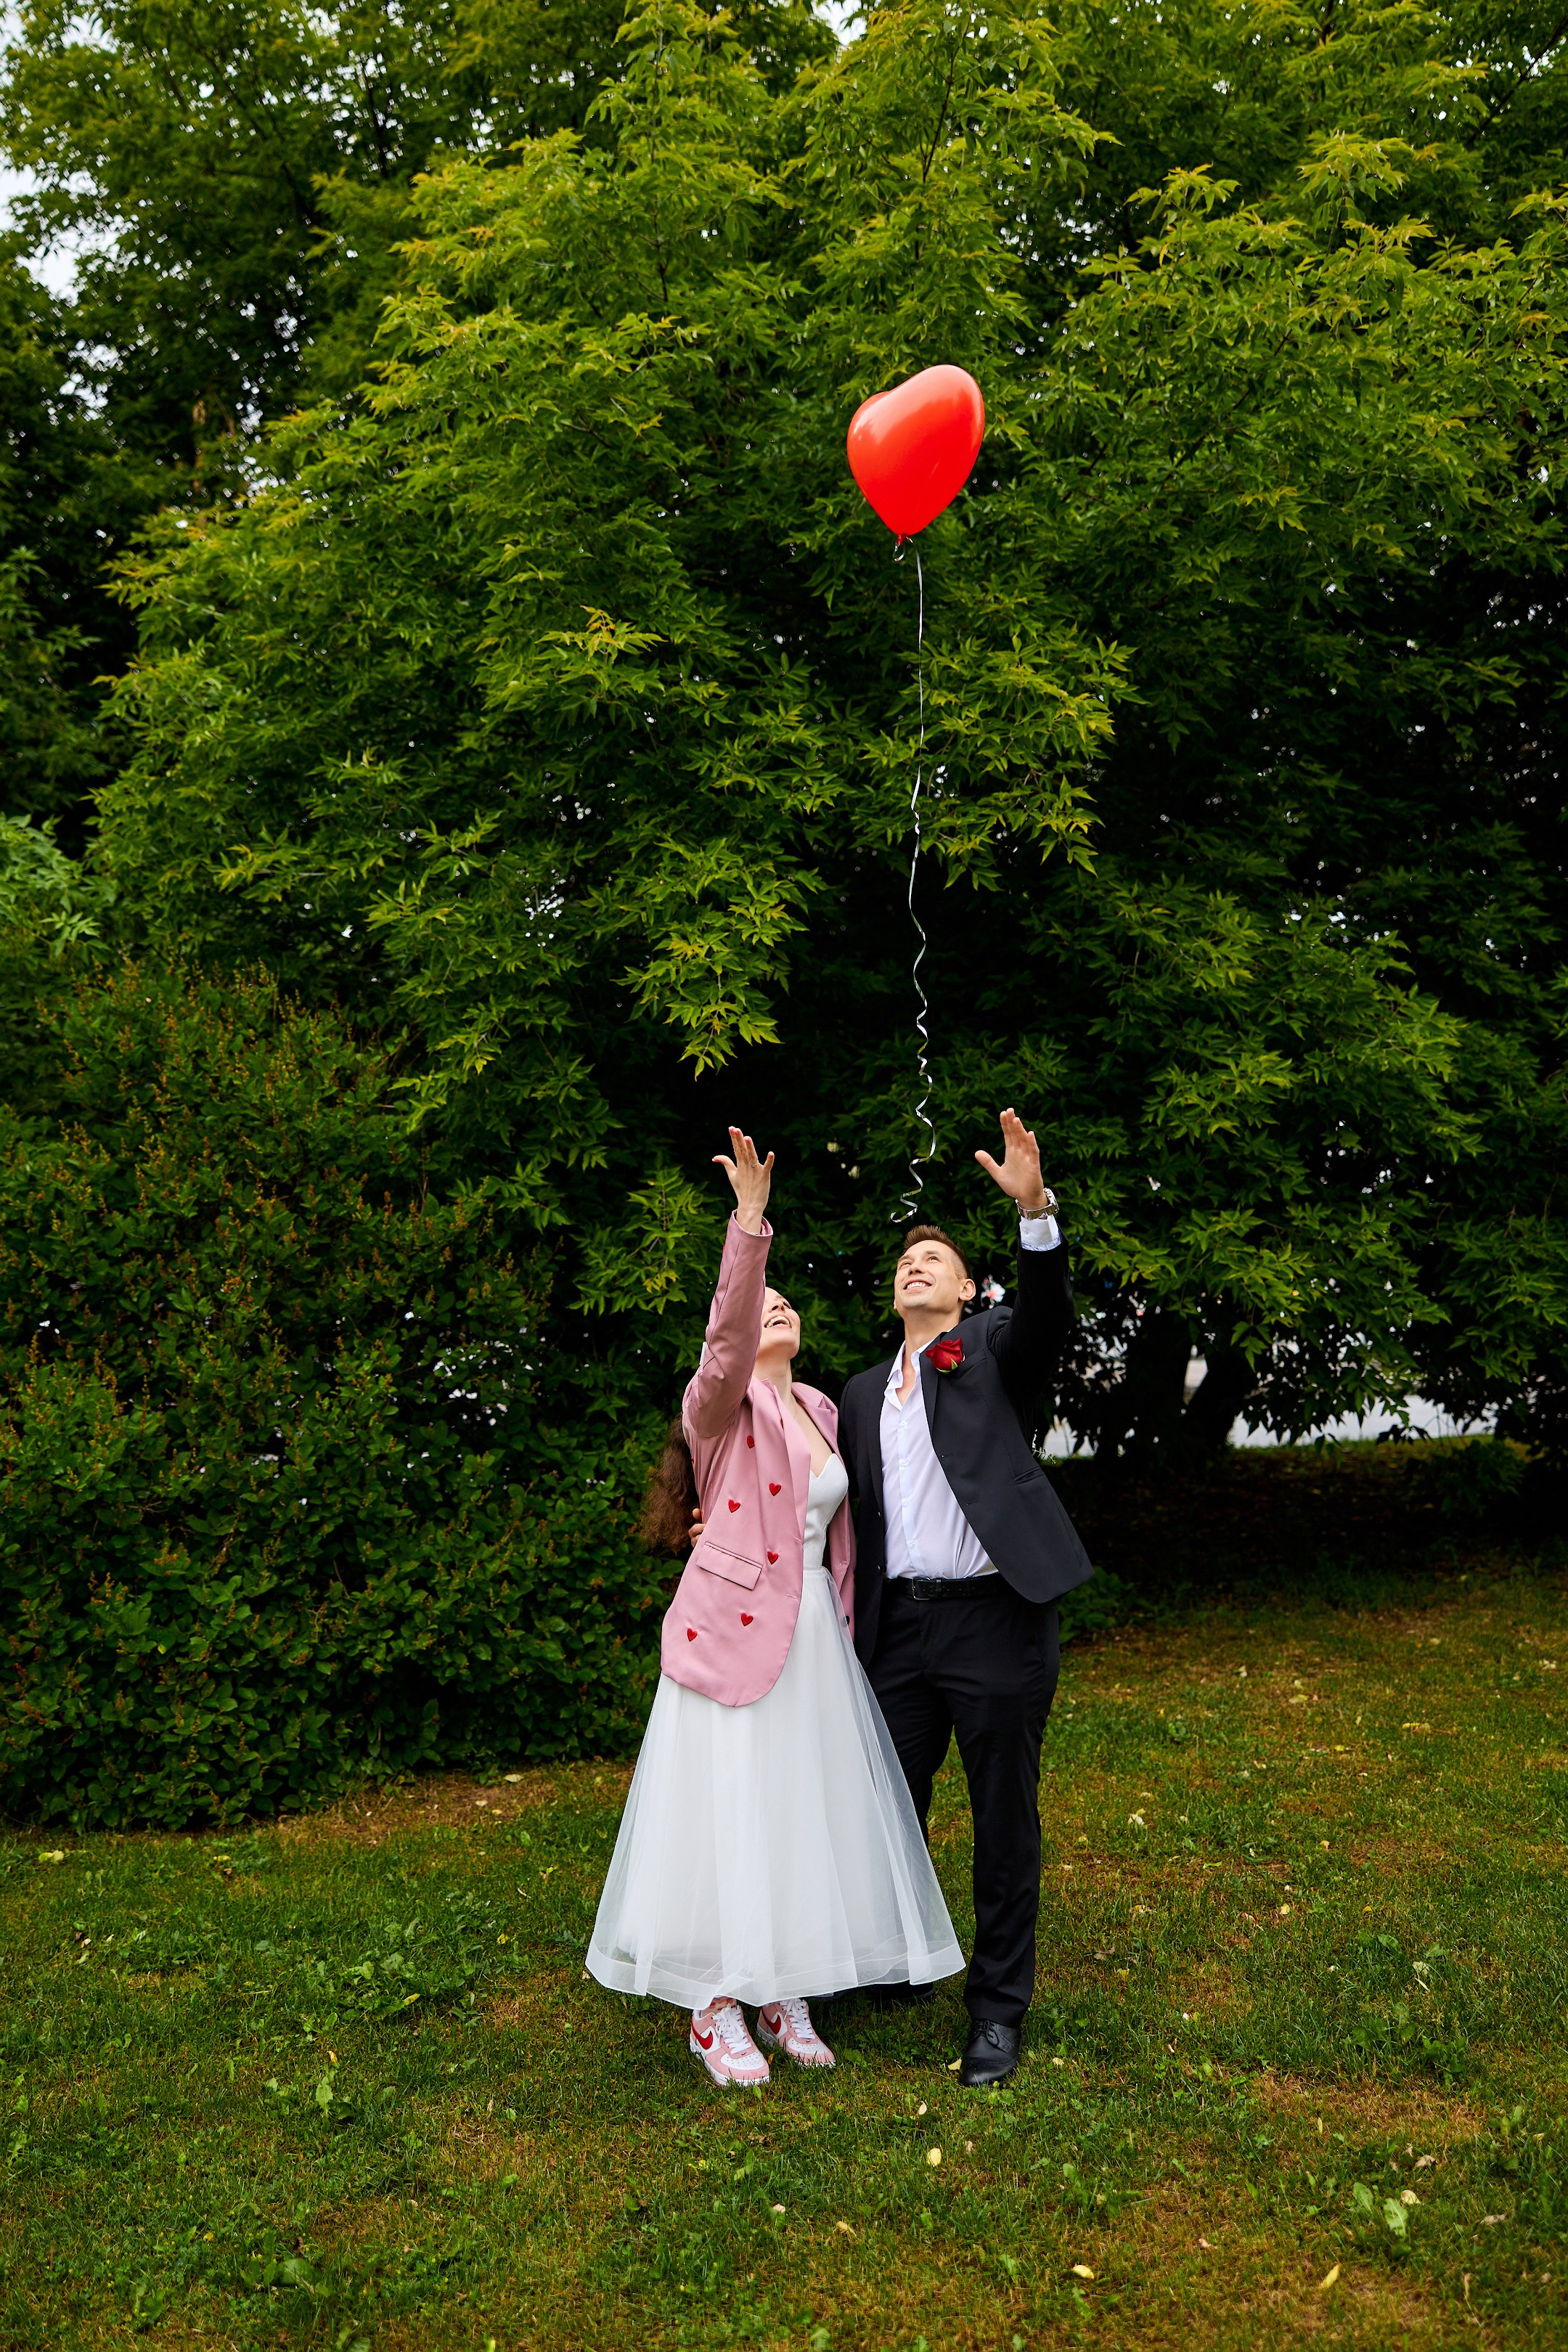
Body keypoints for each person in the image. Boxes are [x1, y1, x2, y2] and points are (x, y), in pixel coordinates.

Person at [587, 1129, 963, 2088]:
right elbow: (724, 1343)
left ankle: (784, 1986)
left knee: (802, 1807)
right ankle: (714, 2006)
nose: (778, 1309)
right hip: (734, 1635)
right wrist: (749, 1224)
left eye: (787, 1302)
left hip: (818, 1639)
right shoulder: (717, 1405)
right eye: (765, 1303)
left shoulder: (826, 1410)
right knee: (731, 1806)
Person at [837, 1108, 1095, 2089]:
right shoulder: (859, 1393)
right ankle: (902, 1958)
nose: (916, 1267)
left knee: (1001, 1819)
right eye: (907, 1261)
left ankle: (996, 2009)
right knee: (887, 1806)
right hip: (897, 1628)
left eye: (934, 1259)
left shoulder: (992, 1349)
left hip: (996, 1618)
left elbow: (1049, 1316)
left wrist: (1035, 1212)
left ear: (966, 1288)